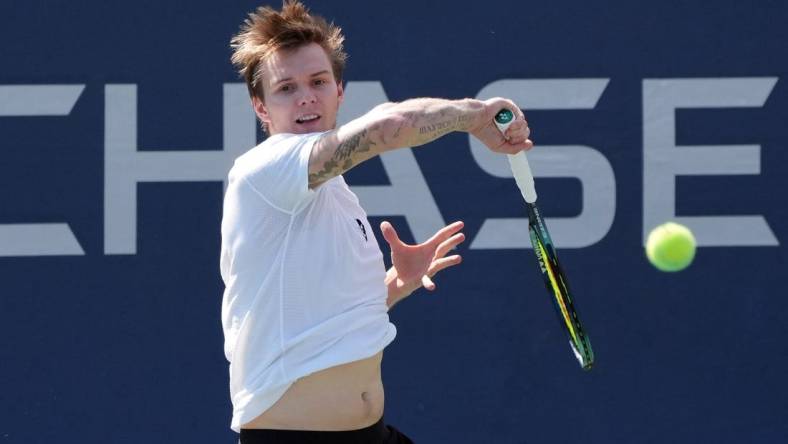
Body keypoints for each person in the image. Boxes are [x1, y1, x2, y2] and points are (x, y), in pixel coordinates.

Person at [220, 1, 532, 442]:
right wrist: (474, 116)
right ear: (261, 108)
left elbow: (318, 325)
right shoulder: (265, 170)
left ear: (339, 92)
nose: (306, 96)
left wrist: (394, 285)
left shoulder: (333, 191)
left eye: (318, 82)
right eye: (286, 88)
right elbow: (393, 125)